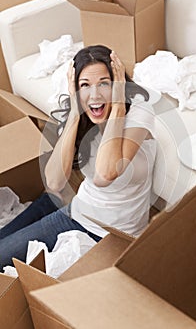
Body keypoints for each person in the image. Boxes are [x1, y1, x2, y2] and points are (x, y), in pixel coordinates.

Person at [0, 45, 157, 272]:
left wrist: (118, 108)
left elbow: (106, 173)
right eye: (85, 85)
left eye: (104, 83)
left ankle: (45, 208)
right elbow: (54, 182)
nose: (95, 95)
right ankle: (46, 206)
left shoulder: (139, 114)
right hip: (76, 212)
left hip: (107, 235)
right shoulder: (82, 115)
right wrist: (75, 112)